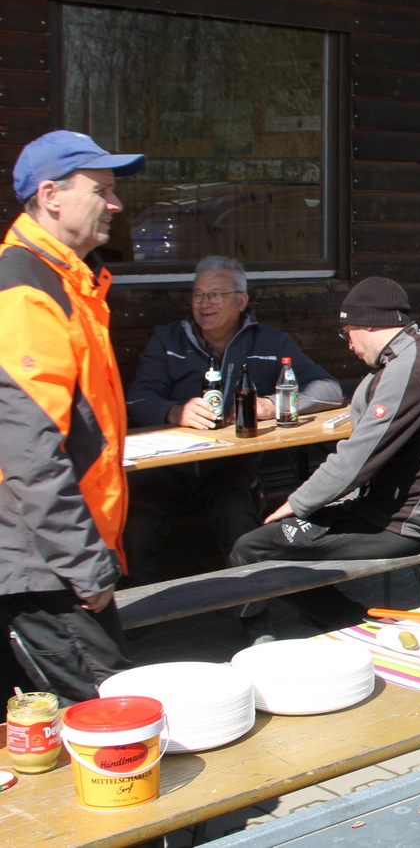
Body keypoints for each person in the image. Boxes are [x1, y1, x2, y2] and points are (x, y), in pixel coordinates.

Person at [228, 277, 420, 635]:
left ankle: (356, 624)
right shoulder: (416, 352)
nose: (348, 344)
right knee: (278, 537)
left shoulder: (410, 369)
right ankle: (329, 621)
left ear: (369, 323)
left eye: (347, 332)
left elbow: (356, 458)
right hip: (386, 510)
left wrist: (297, 503)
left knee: (251, 549)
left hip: (395, 525)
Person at [0, 130, 144, 701]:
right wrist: (85, 565)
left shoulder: (70, 281)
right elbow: (30, 450)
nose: (116, 204)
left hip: (51, 552)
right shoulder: (27, 289)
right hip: (43, 560)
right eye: (101, 190)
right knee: (110, 715)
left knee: (34, 725)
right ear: (51, 196)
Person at [122, 255, 344, 589]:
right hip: (166, 468)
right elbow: (138, 399)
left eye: (216, 295)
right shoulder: (168, 340)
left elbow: (329, 390)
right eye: (198, 295)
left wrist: (272, 405)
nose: (204, 304)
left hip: (229, 465)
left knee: (239, 522)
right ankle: (140, 616)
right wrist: (174, 411)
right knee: (136, 528)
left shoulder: (269, 342)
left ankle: (252, 611)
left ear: (241, 301)